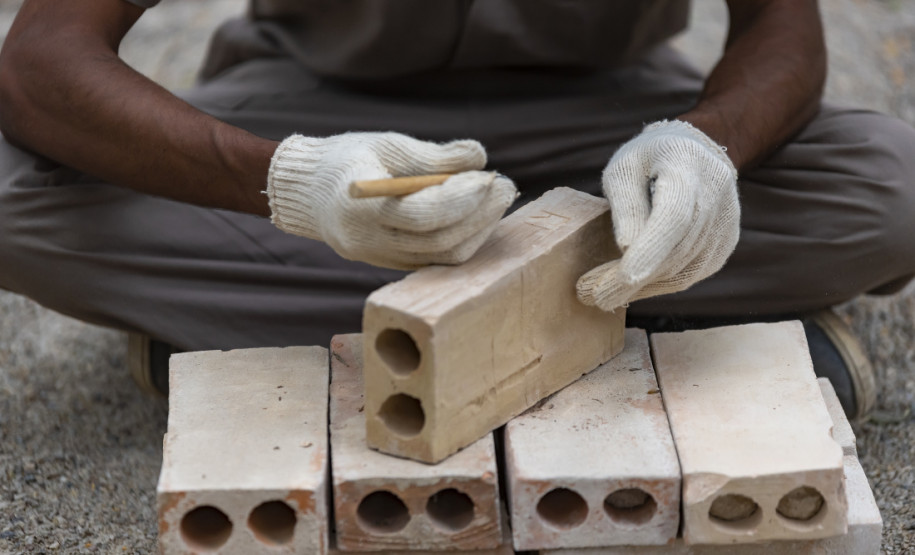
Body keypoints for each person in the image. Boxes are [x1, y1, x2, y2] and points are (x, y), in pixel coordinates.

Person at [1, 0, 913, 420]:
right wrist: (286, 180)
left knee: (890, 187)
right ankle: (653, 318)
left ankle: (235, 328)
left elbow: (778, 25)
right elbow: (41, 58)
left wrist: (704, 148)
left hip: (608, 121)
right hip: (320, 115)